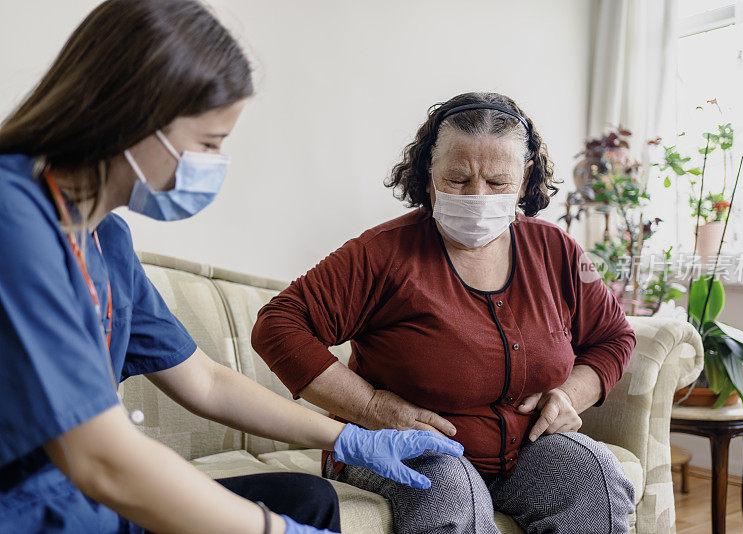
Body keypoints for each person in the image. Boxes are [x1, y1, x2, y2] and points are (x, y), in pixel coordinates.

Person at [0, 2, 463, 533]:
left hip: (86, 505)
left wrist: (349, 437)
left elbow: (206, 382)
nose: (214, 164)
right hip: (31, 510)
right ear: (136, 118)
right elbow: (99, 458)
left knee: (303, 498)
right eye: (208, 143)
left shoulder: (106, 238)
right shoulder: (13, 220)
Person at [252, 92, 639, 533]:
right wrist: (372, 406)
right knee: (448, 489)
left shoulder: (558, 250)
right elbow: (278, 325)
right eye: (457, 179)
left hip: (525, 449)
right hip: (408, 446)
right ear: (429, 173)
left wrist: (572, 395)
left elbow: (614, 336)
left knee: (595, 478)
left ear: (526, 174)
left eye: (497, 183)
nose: (477, 196)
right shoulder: (382, 253)